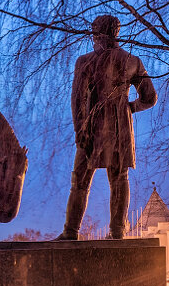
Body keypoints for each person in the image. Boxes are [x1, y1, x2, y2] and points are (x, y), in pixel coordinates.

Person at [57, 15, 157, 240]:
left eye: (94, 31)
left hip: (91, 128)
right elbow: (149, 98)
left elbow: (77, 100)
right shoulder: (132, 61)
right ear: (116, 33)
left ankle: (71, 232)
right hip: (120, 127)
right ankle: (117, 232)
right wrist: (129, 107)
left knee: (80, 180)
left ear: (98, 33)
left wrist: (80, 129)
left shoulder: (85, 61)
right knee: (119, 178)